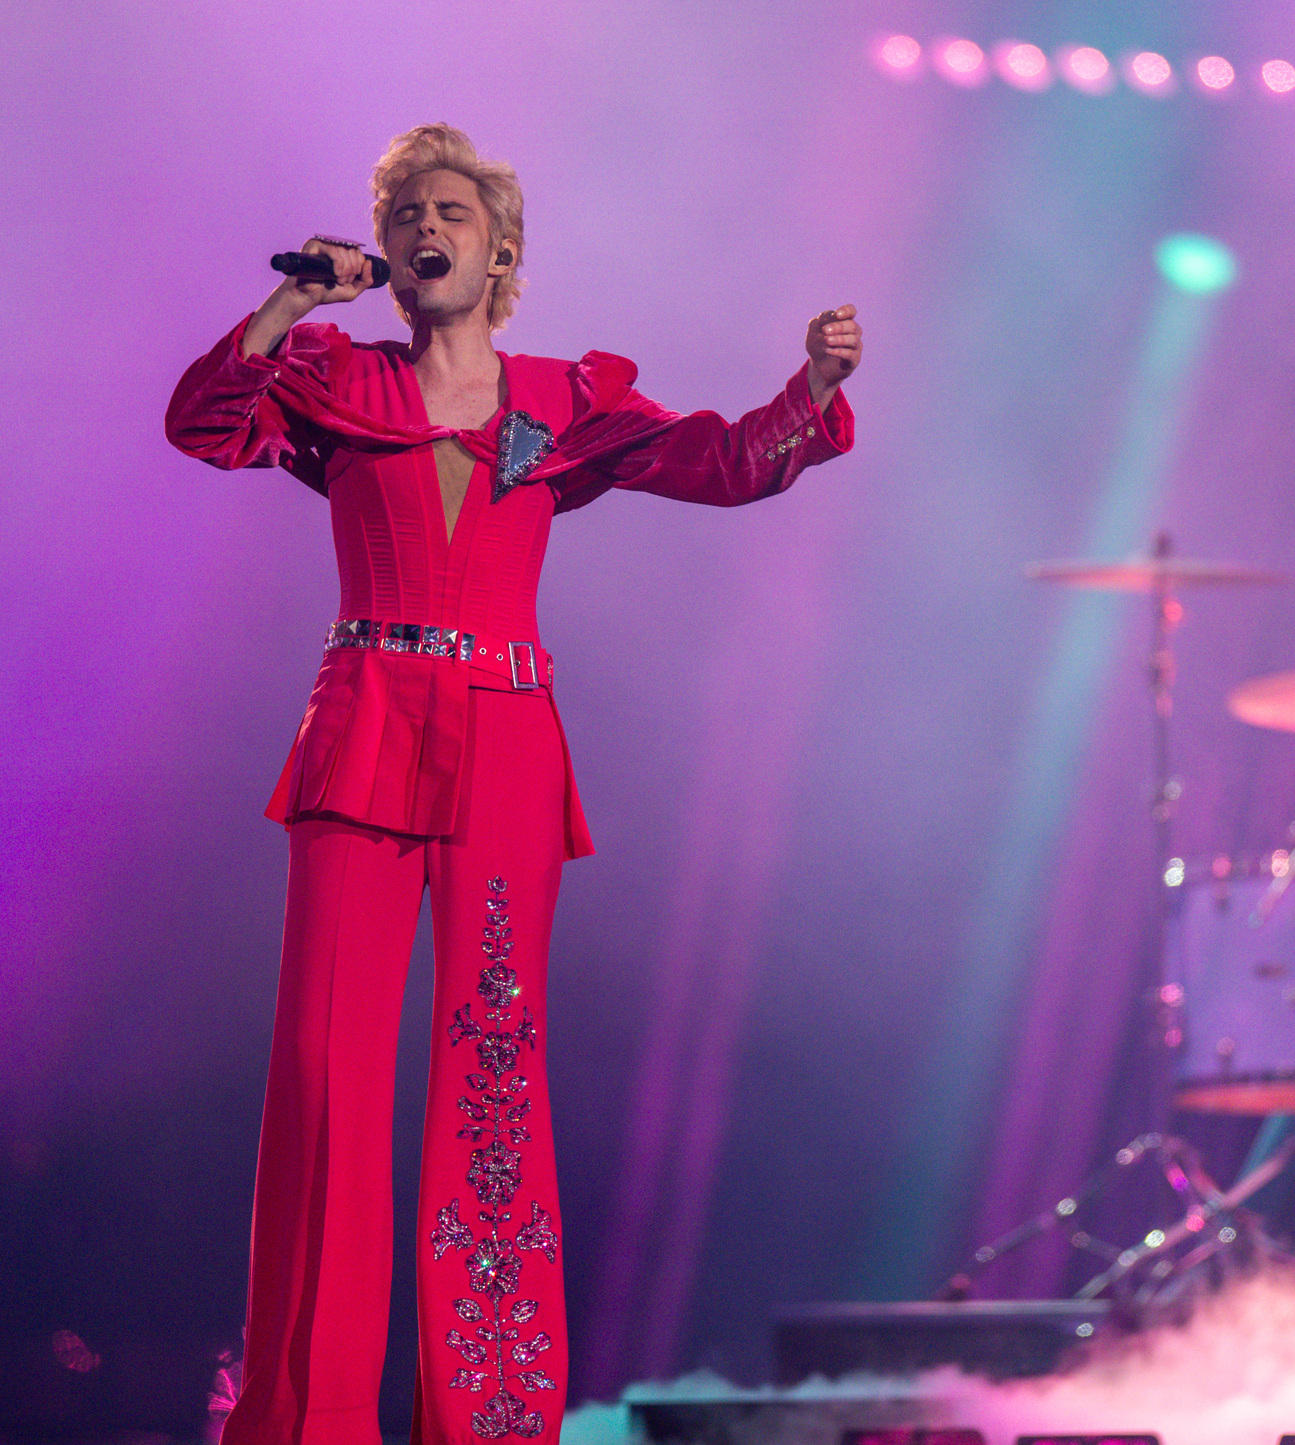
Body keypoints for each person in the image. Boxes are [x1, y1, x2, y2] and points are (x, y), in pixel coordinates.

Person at [165, 124, 860, 1445]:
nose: (425, 228)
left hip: (504, 741)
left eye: (451, 212)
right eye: (406, 214)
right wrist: (293, 301)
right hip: (363, 727)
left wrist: (810, 387)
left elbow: (723, 463)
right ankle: (308, 1419)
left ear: (499, 253)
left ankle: (486, 1416)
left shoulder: (562, 399)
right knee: (325, 1070)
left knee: (491, 1069)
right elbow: (201, 424)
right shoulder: (334, 376)